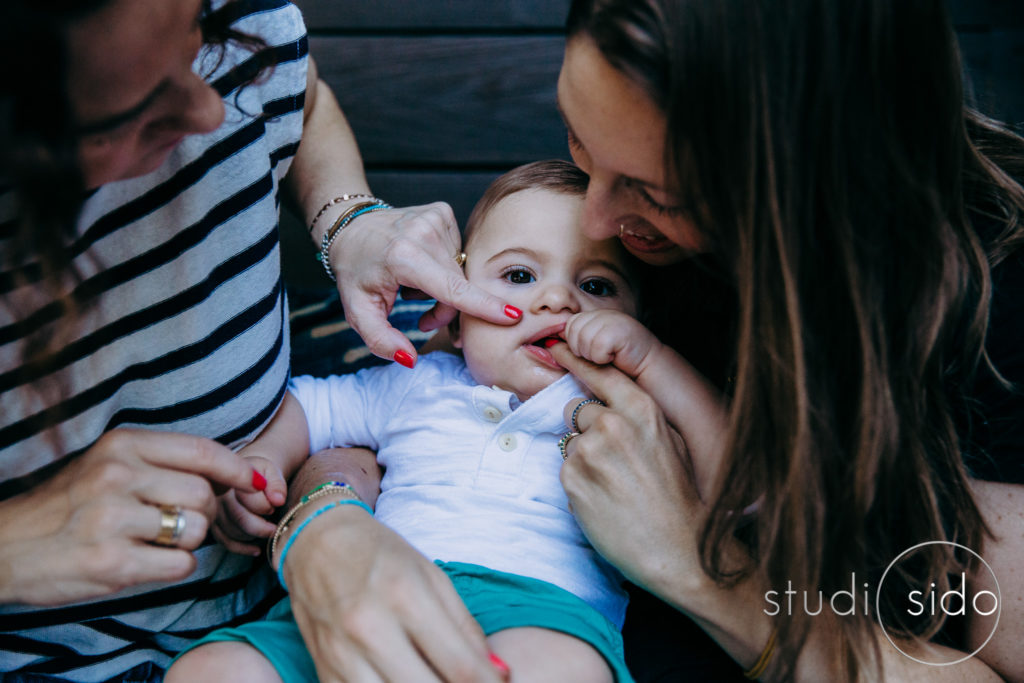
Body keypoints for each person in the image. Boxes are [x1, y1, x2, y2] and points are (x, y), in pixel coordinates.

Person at [271, 1, 1023, 681]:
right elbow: (383, 415)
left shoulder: (985, 316)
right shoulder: (619, 179)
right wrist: (325, 514)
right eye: (578, 138)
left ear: (801, 192)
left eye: (659, 196)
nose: (597, 223)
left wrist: (701, 567)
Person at [0, 1, 518, 681]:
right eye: (130, 113)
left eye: (200, 44)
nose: (209, 112)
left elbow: (299, 100)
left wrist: (349, 219)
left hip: (263, 609)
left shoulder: (227, 10)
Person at [167, 160, 658, 682]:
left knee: (562, 669)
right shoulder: (416, 383)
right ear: (457, 314)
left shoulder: (628, 411)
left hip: (536, 609)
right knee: (214, 668)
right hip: (366, 587)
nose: (558, 299)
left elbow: (736, 482)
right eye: (519, 276)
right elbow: (310, 409)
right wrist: (262, 462)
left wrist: (654, 365)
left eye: (598, 286)